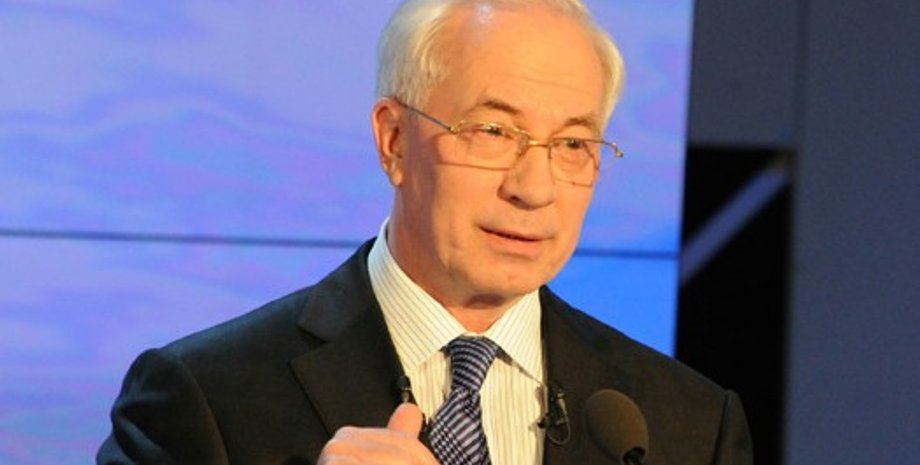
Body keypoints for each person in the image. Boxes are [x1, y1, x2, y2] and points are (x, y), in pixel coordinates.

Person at [98, 0, 754, 464]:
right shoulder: (207, 397)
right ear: (394, 141)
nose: (535, 188)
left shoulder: (688, 426)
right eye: (492, 132)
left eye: (574, 144)